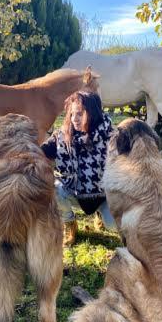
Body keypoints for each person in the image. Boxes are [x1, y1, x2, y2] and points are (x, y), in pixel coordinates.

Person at [41, 91, 116, 246]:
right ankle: (69, 223)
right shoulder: (61, 136)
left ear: (93, 114)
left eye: (80, 114)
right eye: (72, 114)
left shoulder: (111, 137)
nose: (74, 119)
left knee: (114, 226)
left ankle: (100, 214)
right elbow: (40, 152)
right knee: (53, 188)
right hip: (72, 191)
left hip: (104, 195)